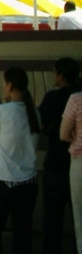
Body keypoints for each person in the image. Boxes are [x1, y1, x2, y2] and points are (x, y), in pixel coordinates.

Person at [0, 67, 39, 254]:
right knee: (22, 232)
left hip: (4, 179)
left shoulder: (1, 110)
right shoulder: (34, 112)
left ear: (9, 85)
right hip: (29, 180)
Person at [38, 56, 81, 254]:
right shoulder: (78, 95)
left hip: (56, 161)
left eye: (55, 73)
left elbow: (42, 125)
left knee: (53, 217)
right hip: (76, 160)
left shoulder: (53, 98)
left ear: (62, 76)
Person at [61, 85, 82, 248]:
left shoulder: (76, 99)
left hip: (79, 162)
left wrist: (75, 137)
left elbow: (63, 134)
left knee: (79, 214)